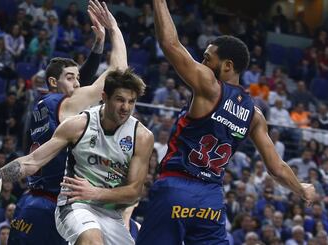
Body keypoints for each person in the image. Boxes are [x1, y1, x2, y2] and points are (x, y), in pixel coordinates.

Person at [136, 1, 317, 244]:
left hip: (176, 187)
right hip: (211, 200)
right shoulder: (254, 114)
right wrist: (301, 189)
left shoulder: (209, 86)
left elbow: (170, 44)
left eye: (207, 58)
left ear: (228, 66)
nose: (202, 64)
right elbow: (277, 169)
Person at [5, 1, 122, 244]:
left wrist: (98, 46)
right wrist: (114, 29)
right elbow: (118, 71)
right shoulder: (64, 104)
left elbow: (80, 86)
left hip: (31, 202)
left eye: (78, 78)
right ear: (52, 82)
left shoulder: (44, 106)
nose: (78, 84)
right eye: (71, 78)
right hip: (55, 208)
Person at [0, 66, 153, 245]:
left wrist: (96, 192)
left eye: (131, 102)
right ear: (104, 97)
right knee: (92, 241)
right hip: (74, 205)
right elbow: (32, 162)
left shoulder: (142, 136)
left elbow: (134, 192)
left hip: (111, 214)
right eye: (120, 100)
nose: (126, 107)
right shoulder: (78, 125)